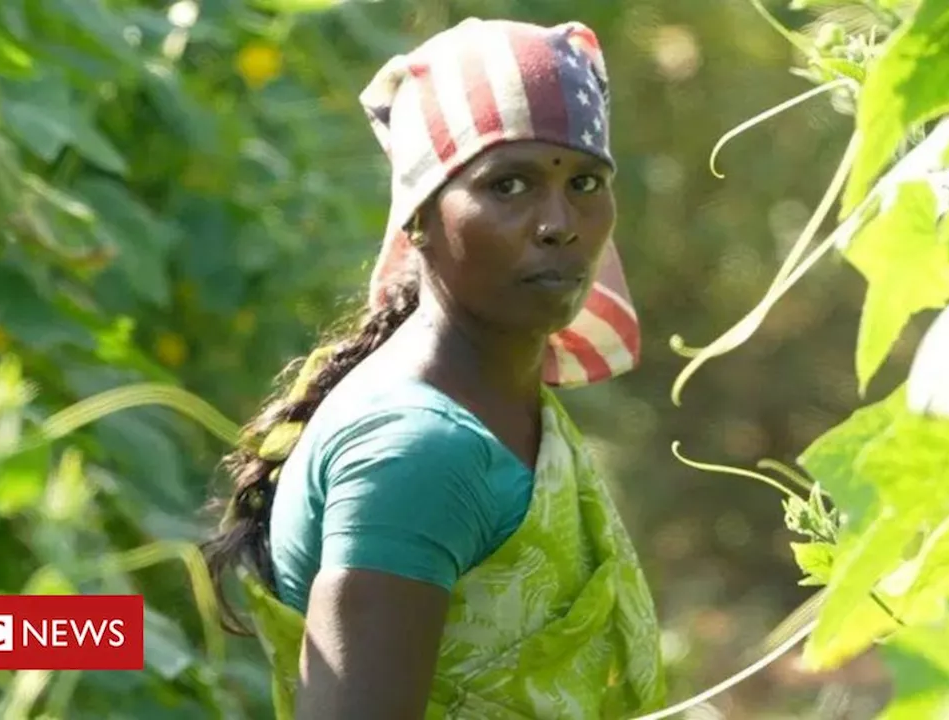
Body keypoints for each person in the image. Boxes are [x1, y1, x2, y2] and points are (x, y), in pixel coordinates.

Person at [204, 17, 666, 720]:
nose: (559, 222)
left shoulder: (499, 402)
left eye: (585, 181)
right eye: (508, 185)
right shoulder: (418, 452)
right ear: (419, 217)